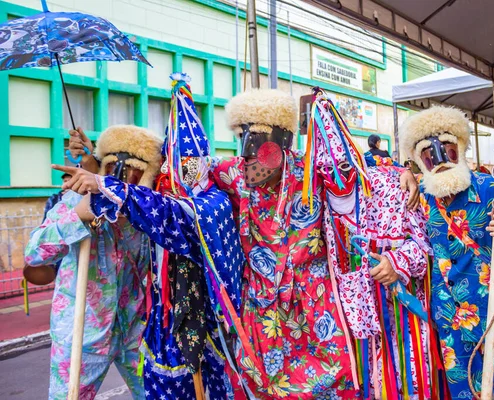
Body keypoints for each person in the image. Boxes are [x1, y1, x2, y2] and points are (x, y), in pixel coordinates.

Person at [211, 88, 419, 398]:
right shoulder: (233, 174)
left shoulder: (310, 171)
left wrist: (404, 172)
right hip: (262, 303)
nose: (246, 153)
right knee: (260, 381)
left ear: (281, 140)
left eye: (255, 139)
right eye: (242, 137)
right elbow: (189, 174)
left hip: (314, 299)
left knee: (330, 382)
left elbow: (361, 178)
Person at [64, 74, 245, 398]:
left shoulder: (213, 203)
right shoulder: (154, 195)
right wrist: (93, 169)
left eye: (192, 165)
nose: (184, 174)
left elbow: (170, 213)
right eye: (176, 167)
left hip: (211, 326)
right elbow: (136, 198)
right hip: (158, 327)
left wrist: (106, 185)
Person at [307, 91, 448, 398]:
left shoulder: (389, 184)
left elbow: (425, 246)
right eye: (326, 172)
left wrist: (397, 263)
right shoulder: (312, 203)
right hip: (355, 327)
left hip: (402, 319)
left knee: (408, 385)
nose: (335, 178)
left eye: (343, 169)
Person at [400, 106, 494, 400]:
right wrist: (402, 172)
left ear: (460, 149)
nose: (439, 161)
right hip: (451, 329)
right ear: (419, 160)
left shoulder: (493, 190)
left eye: (448, 151)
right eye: (428, 155)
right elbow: (369, 170)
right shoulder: (420, 201)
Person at [25, 125, 163, 399]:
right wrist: (78, 216)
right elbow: (34, 253)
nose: (125, 179)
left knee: (157, 394)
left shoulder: (149, 212)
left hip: (135, 334)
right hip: (82, 336)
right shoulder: (75, 201)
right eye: (114, 169)